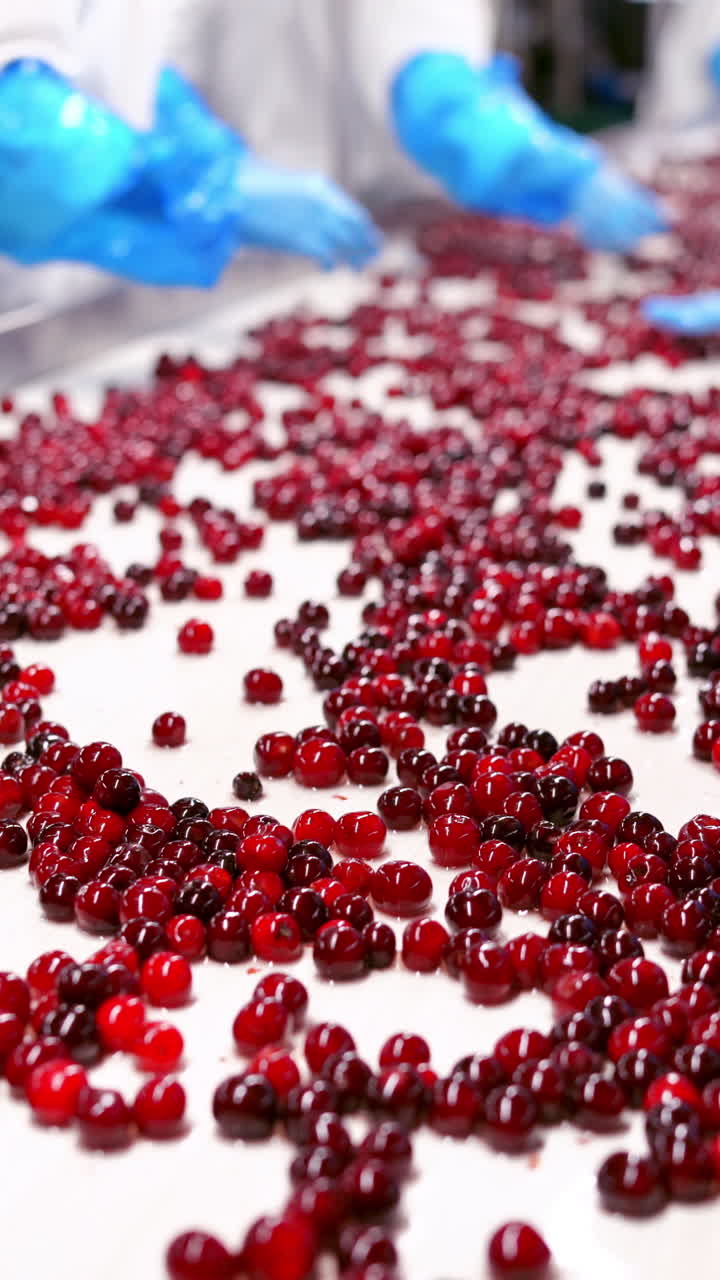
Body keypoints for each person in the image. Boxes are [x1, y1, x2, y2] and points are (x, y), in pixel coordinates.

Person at [0, 0, 665, 297]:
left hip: (305, 244)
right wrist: (176, 171)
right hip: (82, 258)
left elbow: (414, 30)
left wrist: (457, 108)